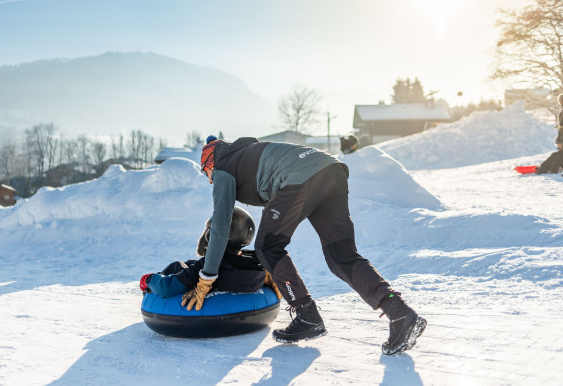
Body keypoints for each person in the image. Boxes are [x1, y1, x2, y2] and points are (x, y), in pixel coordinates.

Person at [182, 135, 426, 355]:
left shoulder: (223, 168)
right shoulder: (247, 154)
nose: (211, 182)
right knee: (341, 255)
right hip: (330, 169)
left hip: (301, 178)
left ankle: (307, 316)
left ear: (209, 164)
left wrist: (206, 277)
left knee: (267, 247)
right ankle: (401, 313)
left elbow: (220, 227)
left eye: (207, 175)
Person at [140, 206, 281, 299]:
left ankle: (148, 290)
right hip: (236, 285)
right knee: (189, 264)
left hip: (202, 289)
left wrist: (148, 279)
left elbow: (167, 288)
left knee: (177, 265)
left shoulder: (209, 266)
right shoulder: (256, 263)